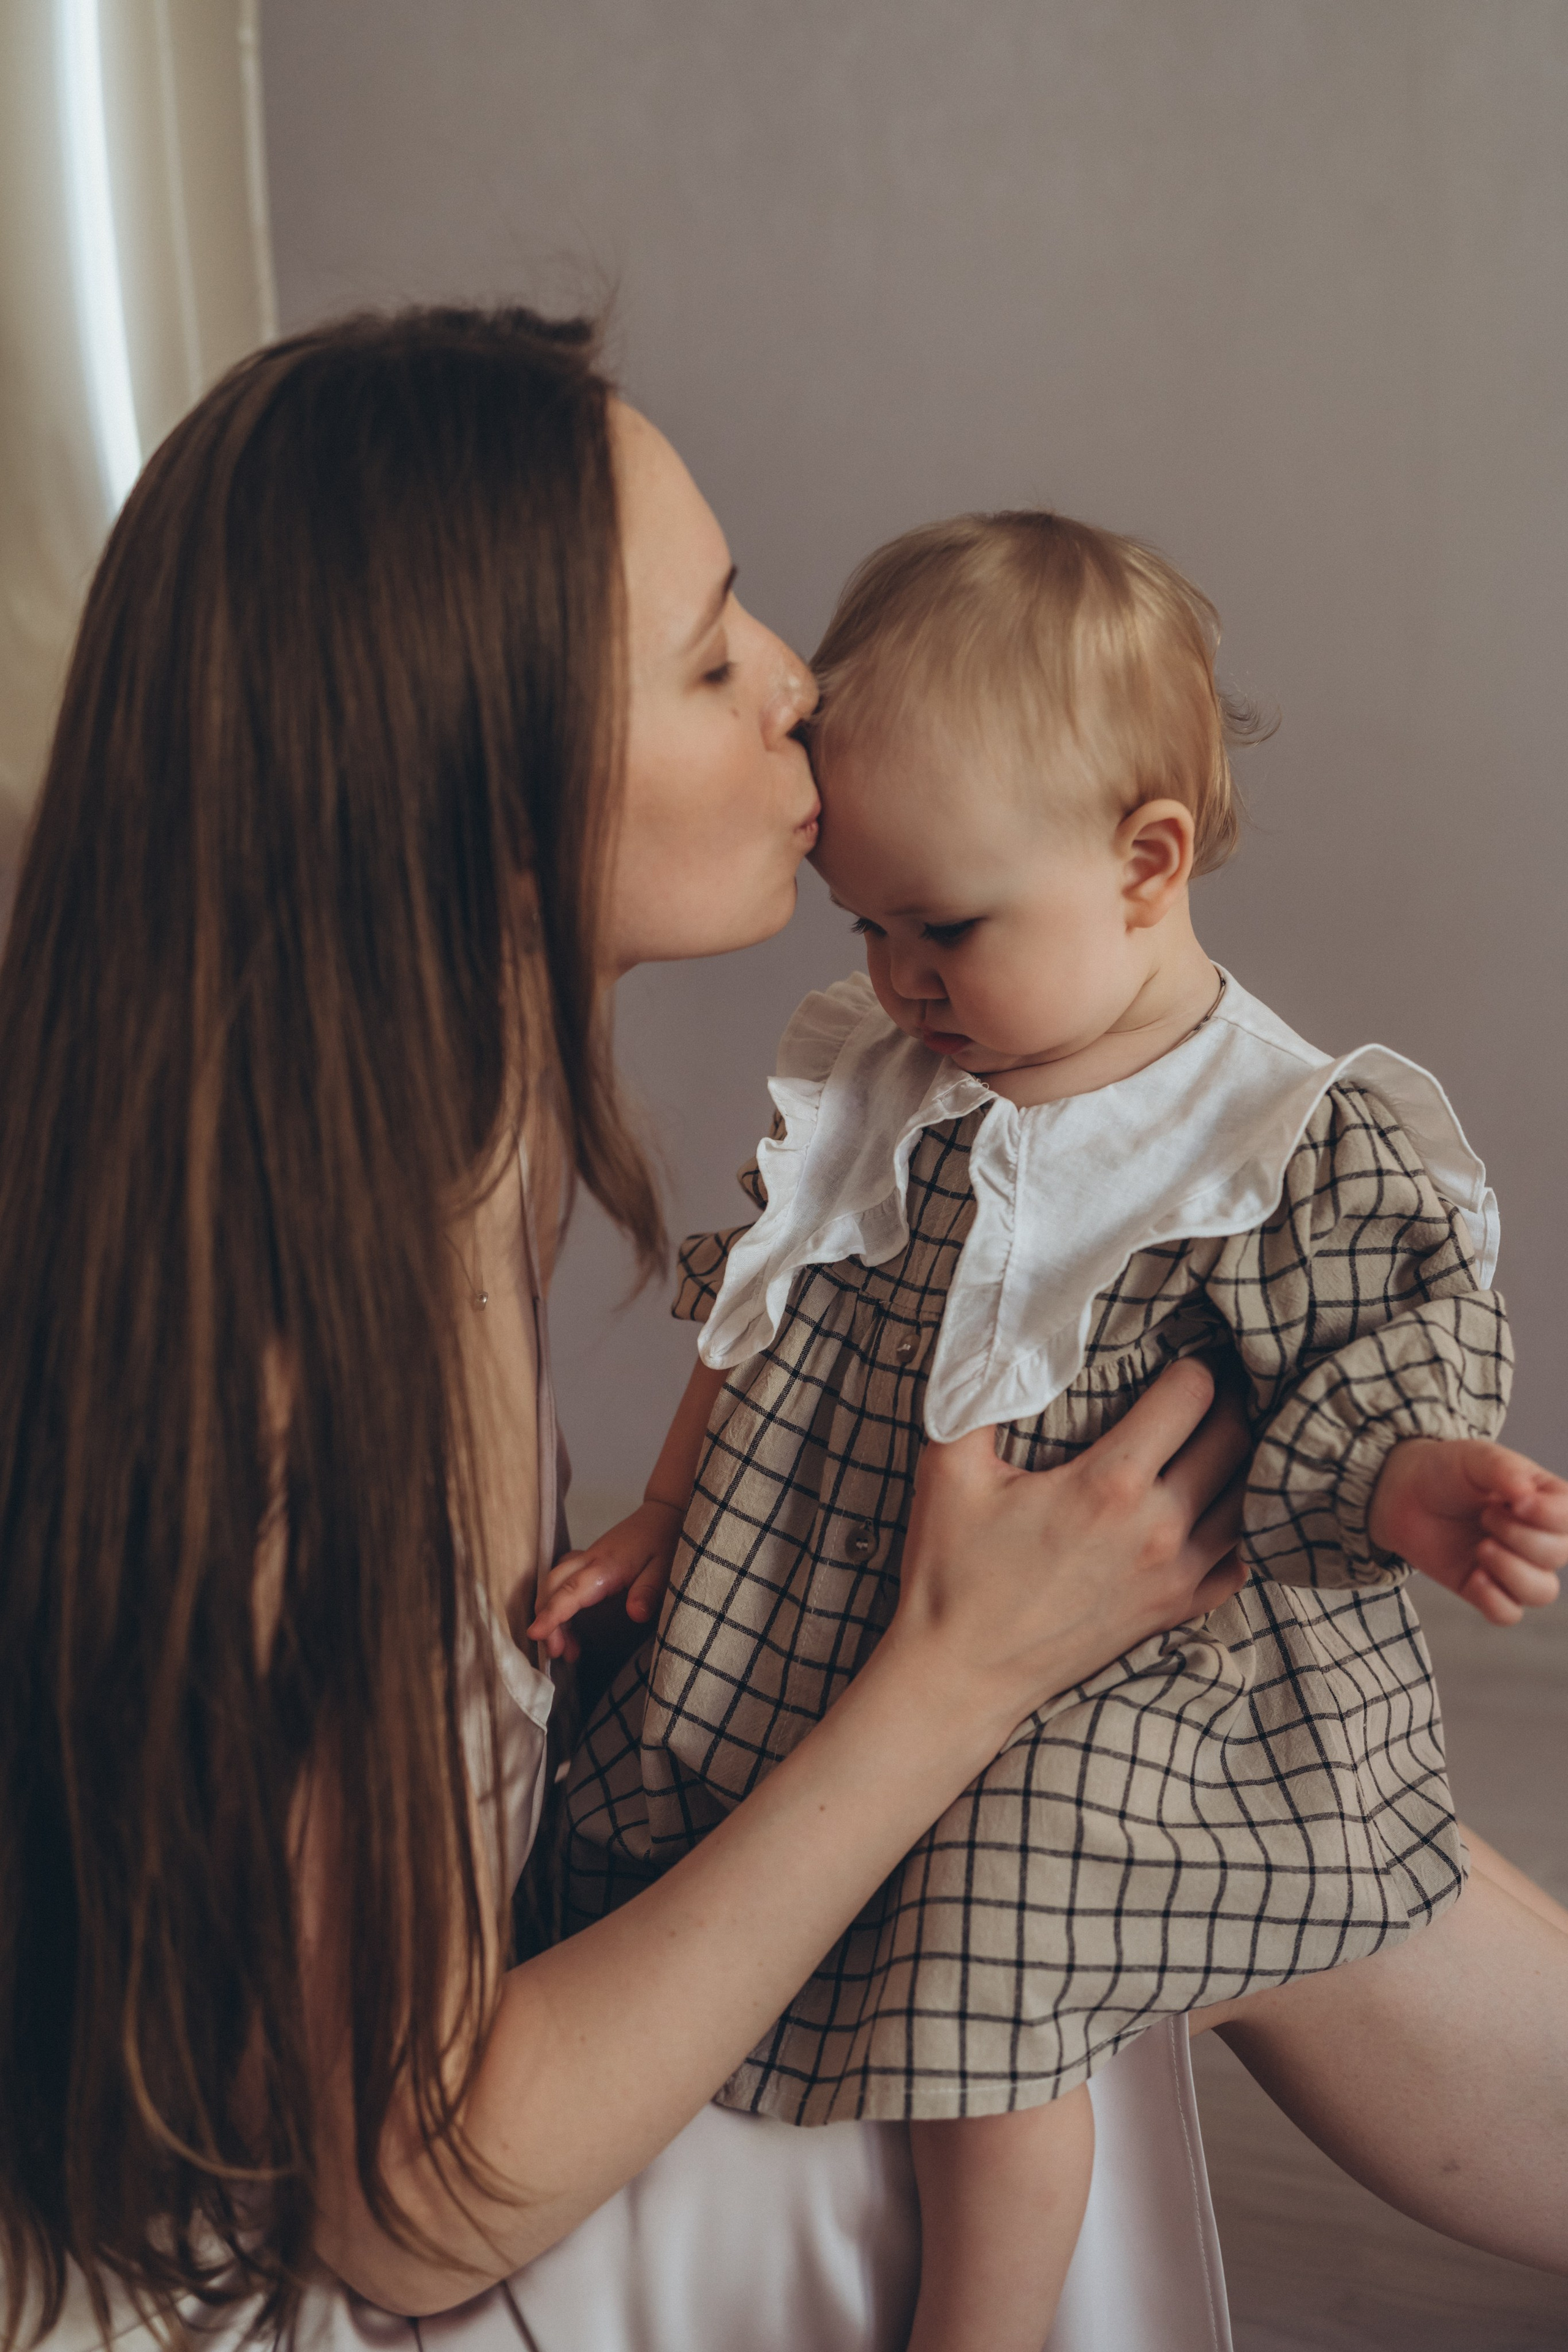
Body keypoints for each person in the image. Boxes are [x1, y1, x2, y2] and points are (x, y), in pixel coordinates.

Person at [0, 308, 1561, 2352]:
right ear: (488, 792)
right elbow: (405, 2207)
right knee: (1050, 1851)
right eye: (711, 650)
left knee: (1200, 1746)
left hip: (392, 2100)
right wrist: (954, 1673)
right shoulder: (293, 1330)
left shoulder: (414, 1132)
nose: (796, 690)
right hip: (290, 2280)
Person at [542, 510, 1568, 2350]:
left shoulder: (1280, 1133)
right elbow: (768, 1308)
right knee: (682, 1798)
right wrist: (665, 1513)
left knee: (996, 1990)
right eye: (874, 925)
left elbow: (1370, 1352)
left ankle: (988, 2325)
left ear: (1146, 863)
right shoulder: (886, 1063)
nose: (908, 979)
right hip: (843, 1599)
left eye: (948, 930)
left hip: (1143, 1669)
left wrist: (1422, 1483)